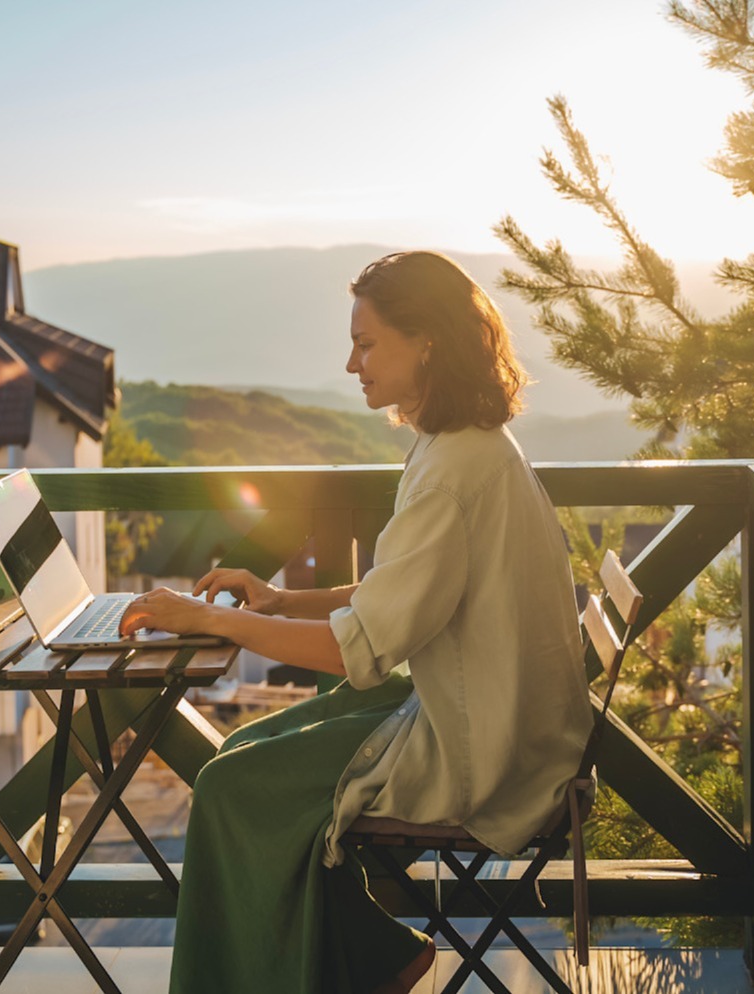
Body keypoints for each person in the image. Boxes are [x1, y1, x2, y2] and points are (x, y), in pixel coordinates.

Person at [120, 251, 593, 993]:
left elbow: (356, 652)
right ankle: (373, 955)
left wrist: (210, 619)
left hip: (486, 750)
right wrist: (280, 602)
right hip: (495, 715)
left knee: (231, 788)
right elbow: (404, 594)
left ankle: (344, 964)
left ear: (426, 341)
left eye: (367, 344)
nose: (351, 364)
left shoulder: (450, 472)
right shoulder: (466, 445)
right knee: (247, 748)